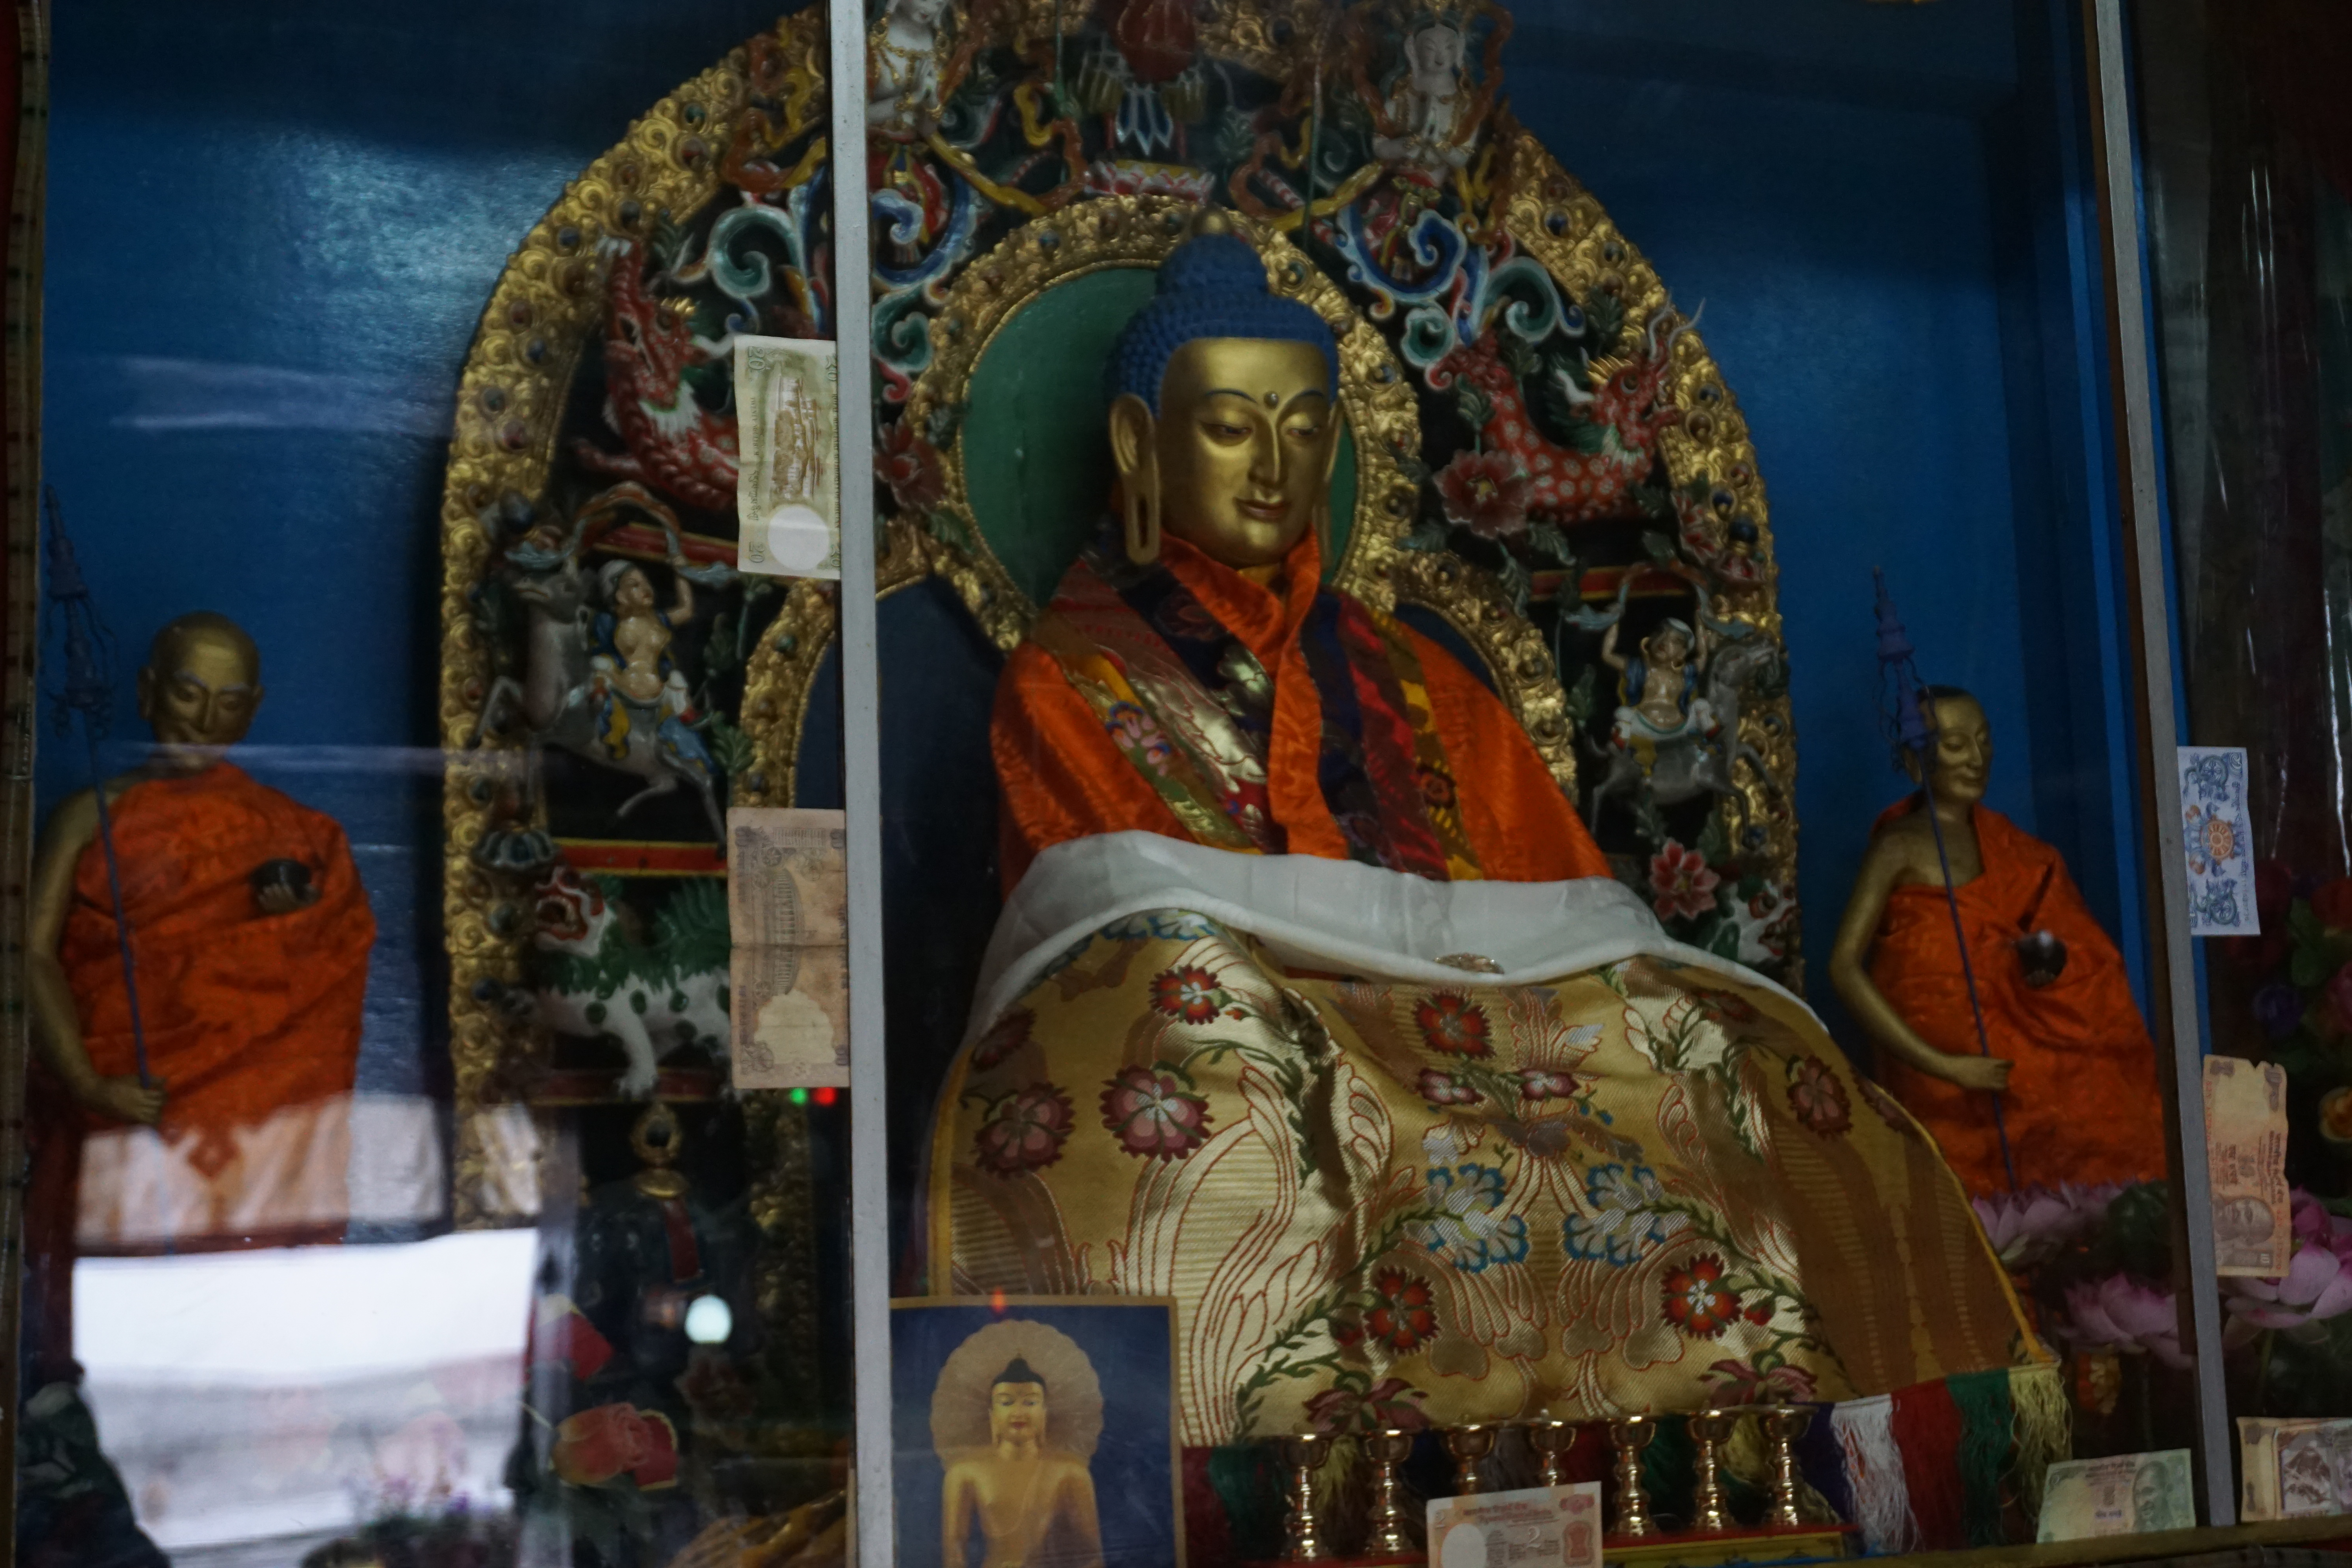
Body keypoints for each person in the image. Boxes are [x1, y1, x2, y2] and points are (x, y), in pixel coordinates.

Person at [933, 214, 2033, 1454]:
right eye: (1229, 427)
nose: (1271, 468)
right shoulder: (1074, 679)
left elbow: (1557, 898)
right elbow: (1114, 928)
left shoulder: (1409, 680)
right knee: (1202, 1019)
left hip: (1467, 1045)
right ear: (1139, 443)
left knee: (1683, 1033)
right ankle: (1284, 1462)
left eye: (1304, 430)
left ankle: (1738, 1441)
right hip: (1282, 1056)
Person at [24, 613, 375, 1365]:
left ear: (253, 710)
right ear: (149, 692)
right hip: (131, 1102)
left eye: (229, 701)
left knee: (239, 1318)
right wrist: (88, 1080)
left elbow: (327, 972)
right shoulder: (88, 816)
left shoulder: (296, 833)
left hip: (246, 1129)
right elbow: (30, 955)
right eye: (188, 693)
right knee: (123, 1319)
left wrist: (295, 928)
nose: (205, 718)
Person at [1828, 686, 2167, 1194]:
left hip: (2012, 1057)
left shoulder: (2015, 849)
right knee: (1960, 1209)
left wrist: (2046, 961)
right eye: (1957, 744)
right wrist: (1947, 1066)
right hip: (1939, 1074)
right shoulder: (1900, 846)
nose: (1977, 758)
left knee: (2096, 1101)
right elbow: (1844, 968)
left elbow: (2059, 941)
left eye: (1984, 741)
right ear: (1915, 761)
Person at [939, 1358, 1103, 1568]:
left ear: (1045, 1412)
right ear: (992, 1414)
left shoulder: (1070, 1472)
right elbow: (954, 1556)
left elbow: (1092, 1557)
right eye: (1006, 1402)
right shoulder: (965, 1473)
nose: (1019, 1413)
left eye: (1031, 1402)